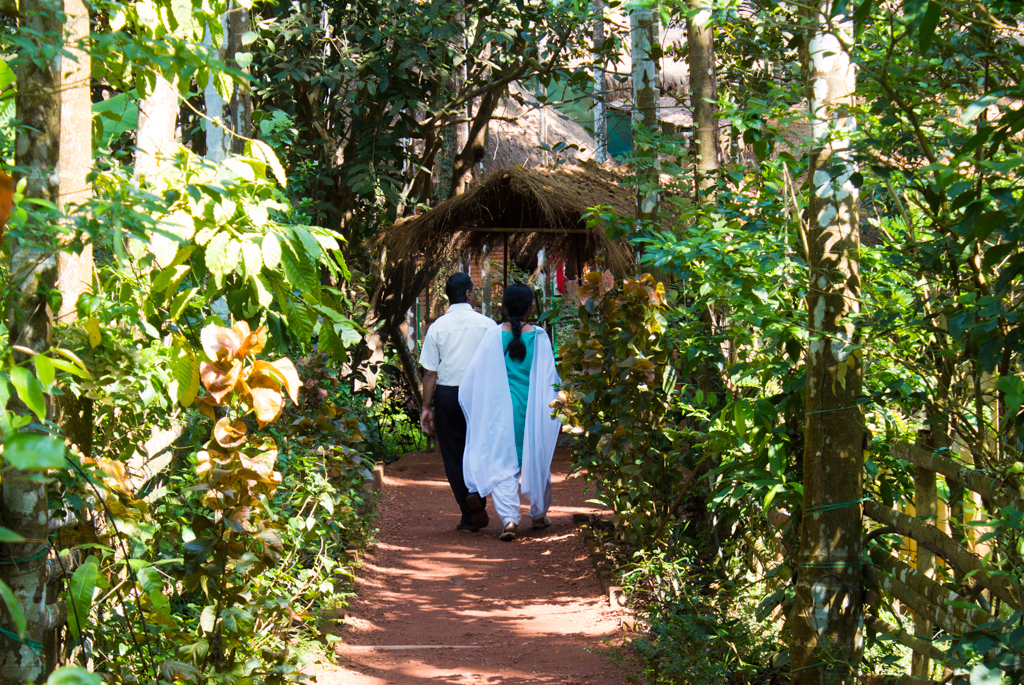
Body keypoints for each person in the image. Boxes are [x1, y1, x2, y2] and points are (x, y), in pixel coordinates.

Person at [458, 284, 561, 542]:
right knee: (538, 459)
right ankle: (538, 514)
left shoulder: (493, 336)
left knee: (505, 464)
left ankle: (510, 520)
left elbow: (474, 379)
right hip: (533, 411)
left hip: (502, 414)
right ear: (530, 307)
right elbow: (551, 380)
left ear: (503, 307)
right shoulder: (539, 337)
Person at [419, 272, 497, 532]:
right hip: (479, 394)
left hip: (448, 395)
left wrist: (426, 407)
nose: (475, 294)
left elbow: (430, 372)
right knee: (481, 447)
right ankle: (477, 494)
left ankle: (467, 512)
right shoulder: (487, 325)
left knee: (453, 453)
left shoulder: (437, 327)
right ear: (467, 294)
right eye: (474, 290)